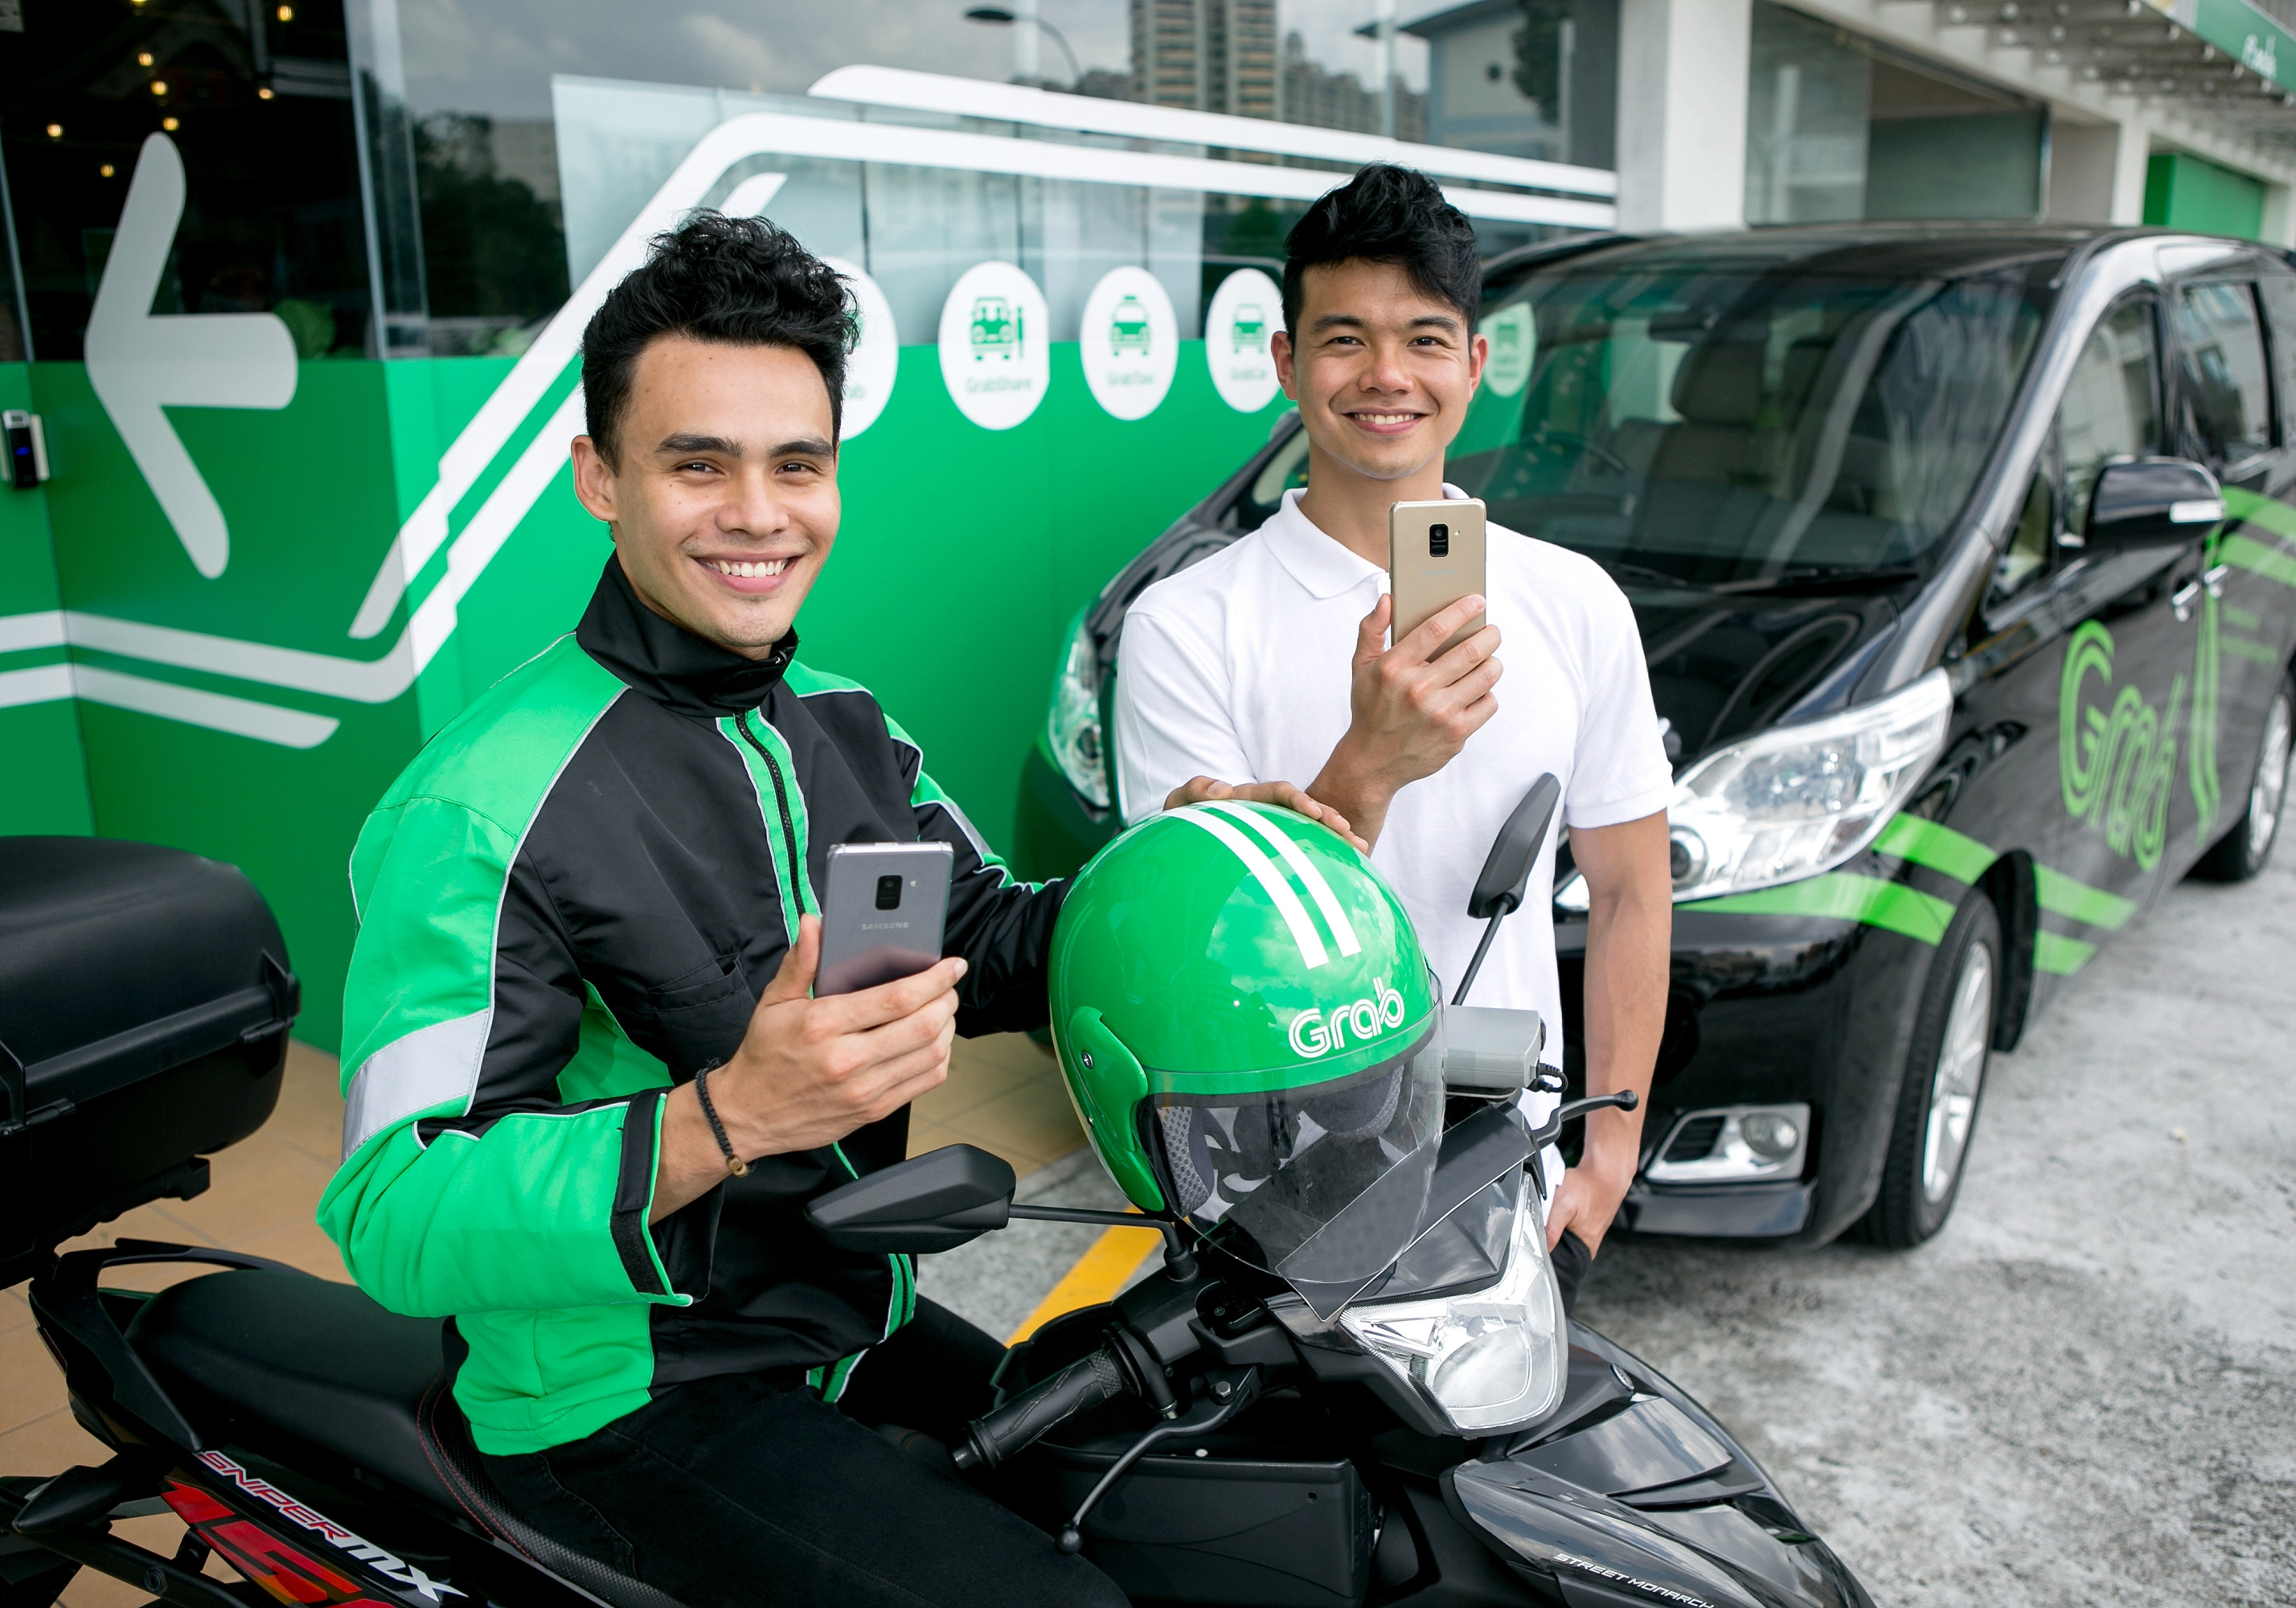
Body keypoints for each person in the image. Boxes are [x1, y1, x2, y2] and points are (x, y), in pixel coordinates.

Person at [318, 214, 1346, 1608]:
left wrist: (1187, 867)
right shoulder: (481, 809)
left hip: (848, 1324)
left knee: (1169, 1510)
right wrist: (725, 1117)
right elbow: (395, 1209)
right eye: (699, 464)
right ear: (599, 477)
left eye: (797, 464)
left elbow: (990, 943)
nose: (760, 513)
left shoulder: (846, 728)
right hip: (625, 1397)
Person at [1113, 166, 1675, 1299]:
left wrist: (1610, 1150)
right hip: (1262, 1191)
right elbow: (1189, 957)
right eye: (1344, 339)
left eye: (1425, 339)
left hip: (1508, 1170)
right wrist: (1368, 764)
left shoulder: (1574, 601)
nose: (1386, 376)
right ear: (1287, 364)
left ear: (1474, 363)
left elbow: (1628, 889)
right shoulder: (1185, 624)